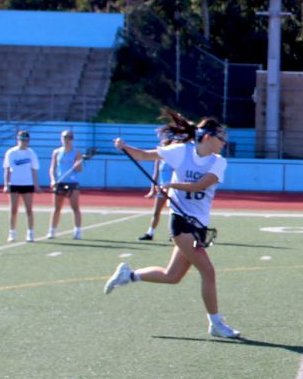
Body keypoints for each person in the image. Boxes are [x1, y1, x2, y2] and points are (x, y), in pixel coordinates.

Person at [103, 108, 241, 339]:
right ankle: (216, 323)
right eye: (221, 138)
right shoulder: (180, 152)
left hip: (198, 225)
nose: (223, 143)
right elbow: (145, 156)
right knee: (208, 272)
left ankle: (129, 275)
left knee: (172, 276)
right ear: (207, 137)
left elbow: (200, 185)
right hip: (181, 223)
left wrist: (171, 186)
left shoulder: (219, 162)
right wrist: (125, 147)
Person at [138, 126, 188, 240]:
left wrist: (174, 186)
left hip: (174, 189)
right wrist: (152, 190)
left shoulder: (176, 154)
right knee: (156, 212)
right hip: (161, 188)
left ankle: (174, 233)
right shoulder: (160, 155)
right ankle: (150, 233)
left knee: (175, 212)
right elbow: (155, 174)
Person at [2, 129, 39, 242]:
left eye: (26, 140)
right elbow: (7, 169)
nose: (24, 142)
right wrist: (6, 184)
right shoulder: (11, 152)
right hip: (14, 183)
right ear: (17, 140)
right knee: (13, 209)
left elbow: (34, 170)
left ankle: (30, 232)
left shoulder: (31, 153)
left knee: (29, 209)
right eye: (22, 140)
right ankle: (12, 232)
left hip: (27, 184)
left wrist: (36, 185)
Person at [47, 130, 84, 239]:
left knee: (75, 207)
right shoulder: (56, 152)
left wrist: (77, 165)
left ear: (72, 139)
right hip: (60, 182)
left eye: (69, 137)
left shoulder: (76, 152)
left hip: (72, 182)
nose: (67, 139)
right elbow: (52, 168)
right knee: (56, 208)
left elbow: (79, 169)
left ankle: (77, 231)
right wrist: (53, 180)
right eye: (64, 137)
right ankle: (52, 231)